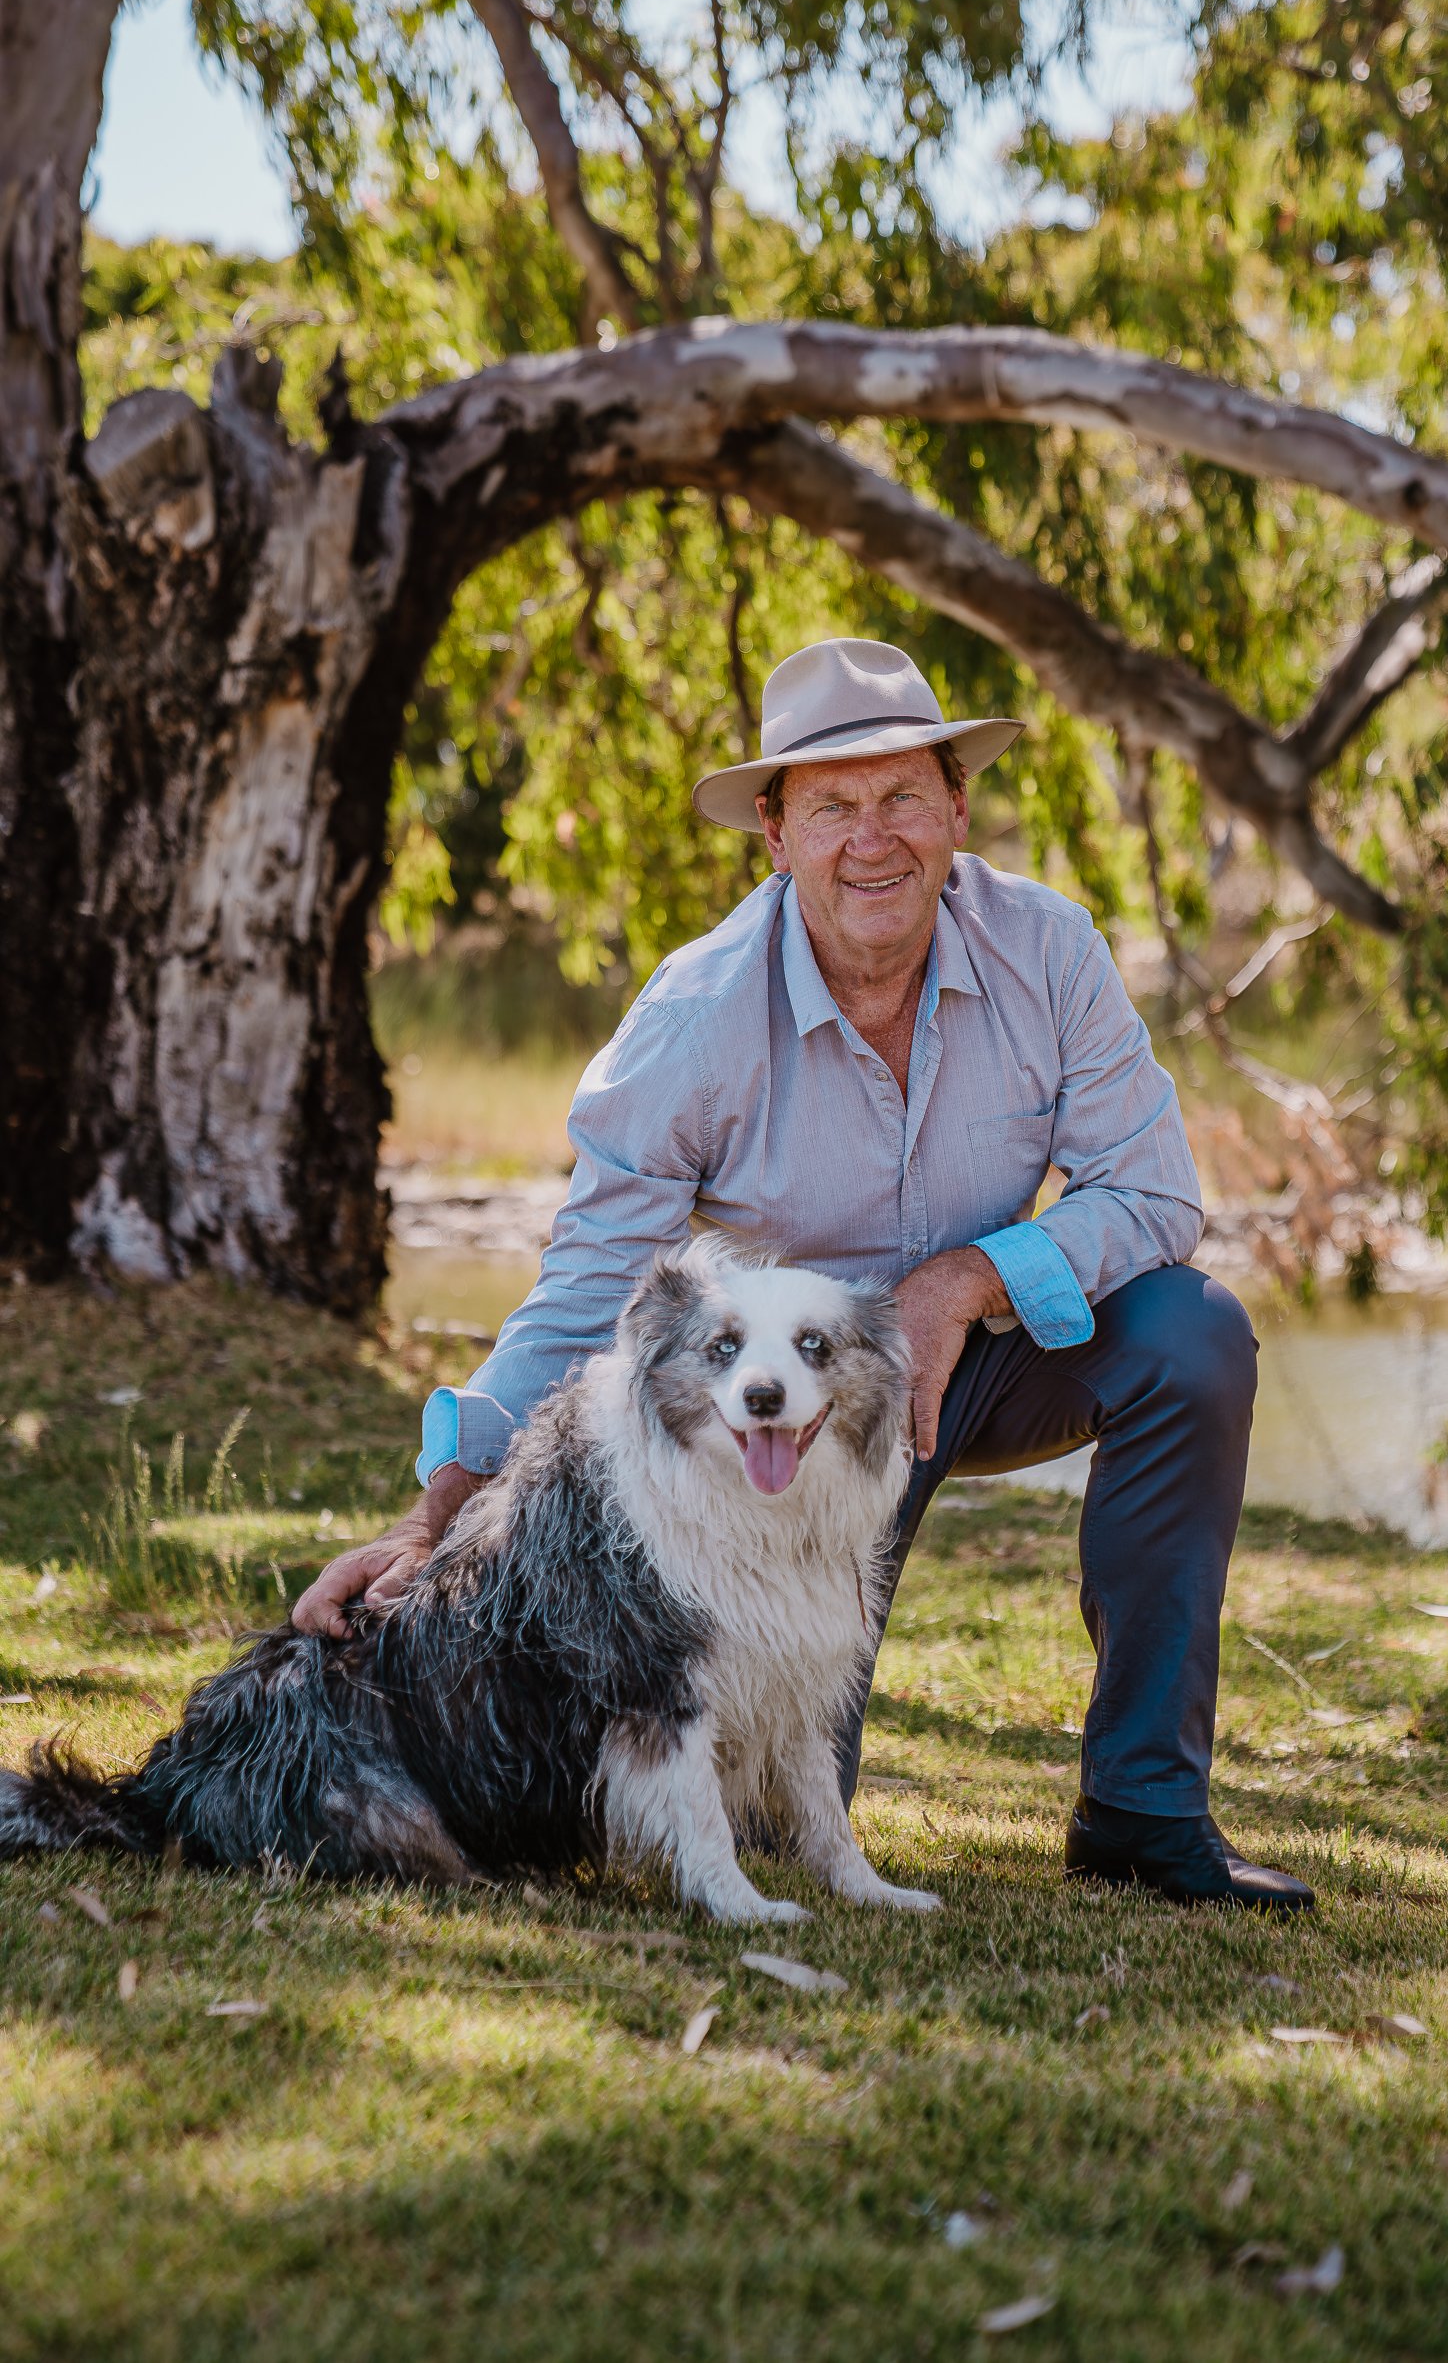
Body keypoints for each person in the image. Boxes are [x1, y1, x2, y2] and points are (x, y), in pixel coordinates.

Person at [295, 637, 1312, 1913]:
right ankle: (778, 1794)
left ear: (954, 808)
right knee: (779, 1823)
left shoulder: (1049, 952)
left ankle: (1142, 1808)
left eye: (900, 796)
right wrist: (429, 1519)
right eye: (830, 804)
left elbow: (1155, 1194)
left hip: (978, 1358)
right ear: (773, 834)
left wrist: (963, 1284)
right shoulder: (693, 1018)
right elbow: (588, 1296)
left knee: (1191, 1332)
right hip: (786, 1416)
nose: (870, 839)